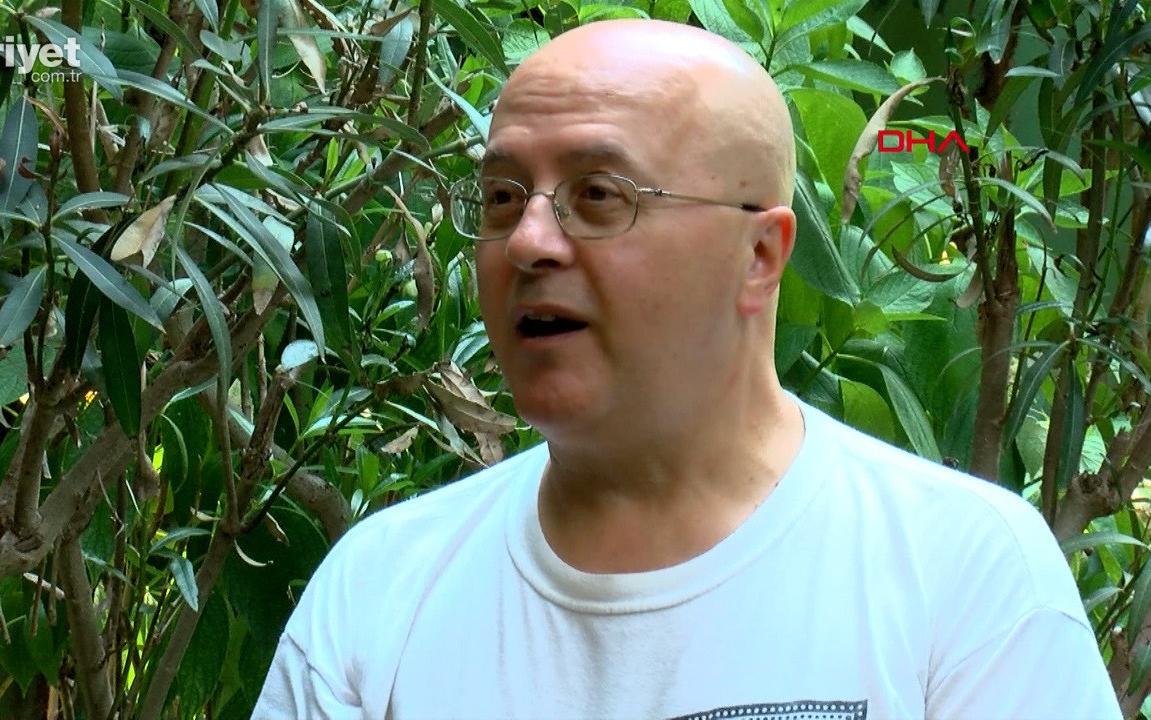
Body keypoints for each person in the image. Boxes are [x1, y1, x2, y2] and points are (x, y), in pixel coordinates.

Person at [252, 18, 1121, 719]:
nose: (528, 241)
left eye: (600, 195)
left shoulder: (963, 576)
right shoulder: (380, 593)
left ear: (759, 255)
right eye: (502, 198)